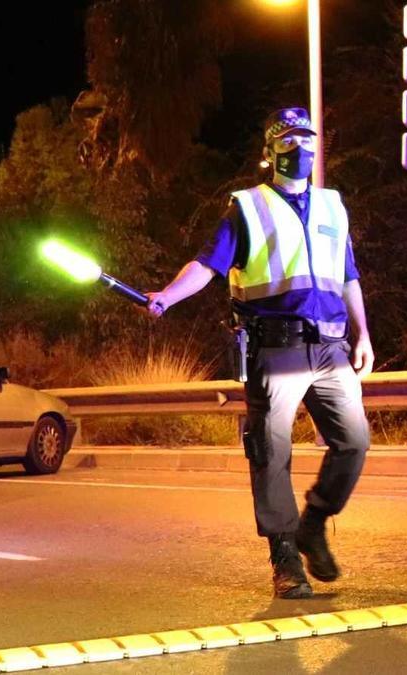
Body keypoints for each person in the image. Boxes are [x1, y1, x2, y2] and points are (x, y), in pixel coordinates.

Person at [146, 107, 373, 599]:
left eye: (308, 139)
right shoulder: (247, 207)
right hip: (277, 348)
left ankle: (313, 523)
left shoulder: (333, 206)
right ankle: (285, 557)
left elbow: (348, 275)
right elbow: (207, 266)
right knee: (272, 454)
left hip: (332, 345)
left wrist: (364, 334)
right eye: (289, 140)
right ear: (268, 153)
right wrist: (166, 294)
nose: (301, 148)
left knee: (354, 442)